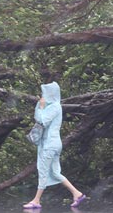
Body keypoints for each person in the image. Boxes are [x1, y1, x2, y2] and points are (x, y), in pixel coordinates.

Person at [23, 81, 86, 209]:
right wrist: (39, 106)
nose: (43, 95)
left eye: (45, 93)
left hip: (50, 144)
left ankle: (36, 200)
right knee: (55, 172)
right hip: (53, 143)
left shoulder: (54, 107)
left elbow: (42, 121)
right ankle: (77, 193)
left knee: (43, 171)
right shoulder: (50, 106)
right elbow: (37, 118)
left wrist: (40, 107)